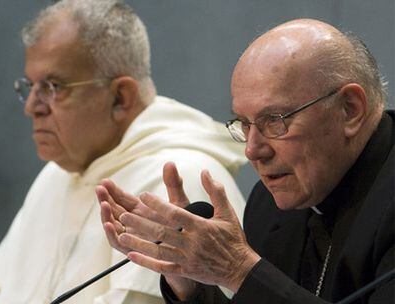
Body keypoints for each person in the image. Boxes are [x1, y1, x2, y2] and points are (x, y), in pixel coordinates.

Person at [97, 18, 394, 303]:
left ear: (349, 109)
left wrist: (238, 269)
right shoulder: (269, 206)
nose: (252, 150)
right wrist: (190, 285)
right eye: (244, 123)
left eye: (274, 120)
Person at [0, 1, 247, 303]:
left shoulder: (179, 178)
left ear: (120, 97)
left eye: (53, 86)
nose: (31, 107)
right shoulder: (56, 175)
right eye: (30, 86)